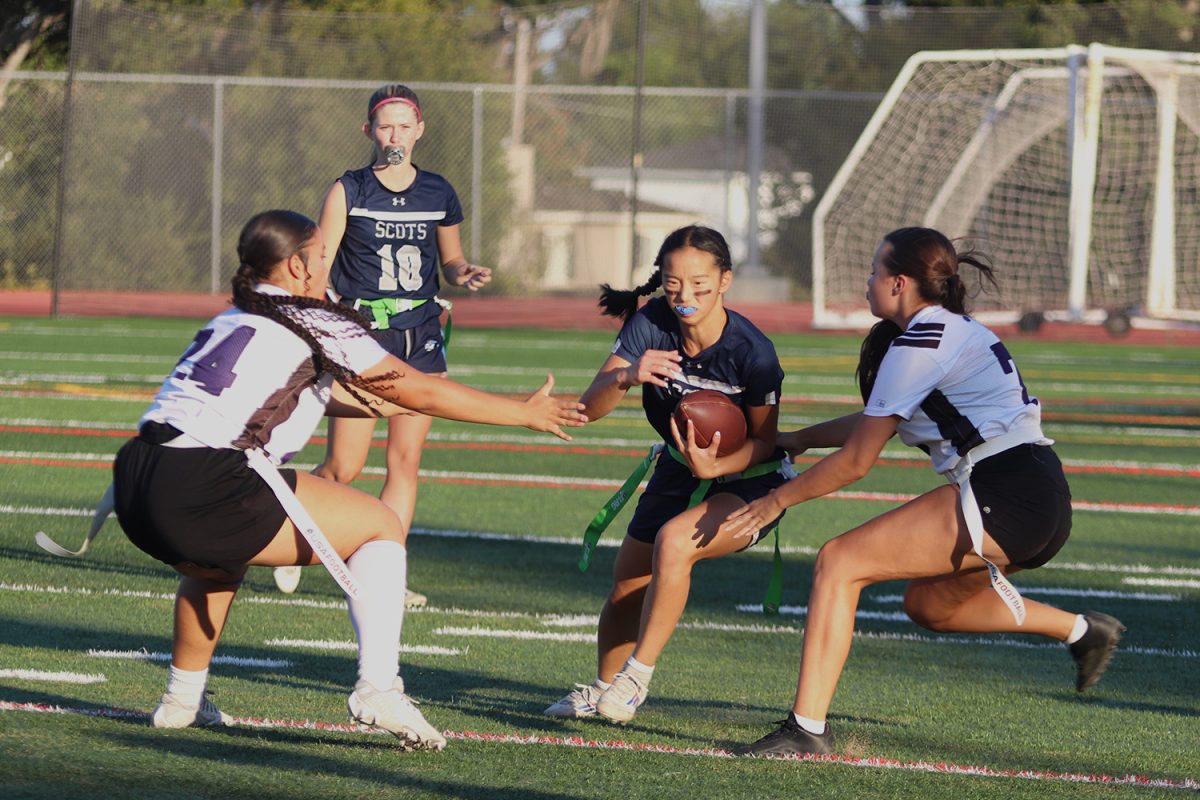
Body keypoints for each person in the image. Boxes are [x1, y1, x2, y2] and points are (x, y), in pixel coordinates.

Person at [113, 210, 584, 750]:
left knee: (217, 560)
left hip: (139, 475)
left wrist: (378, 406)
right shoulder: (315, 317)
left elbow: (293, 395)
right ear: (296, 265)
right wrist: (521, 412)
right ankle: (378, 688)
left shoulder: (237, 315)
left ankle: (181, 701)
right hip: (207, 481)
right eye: (319, 254)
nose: (325, 262)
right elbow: (421, 390)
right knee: (379, 526)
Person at [726, 227, 1125, 758]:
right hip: (1040, 495)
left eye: (874, 271)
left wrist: (776, 500)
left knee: (838, 562)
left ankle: (807, 729)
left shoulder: (917, 344)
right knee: (929, 605)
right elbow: (875, 421)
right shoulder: (950, 330)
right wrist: (799, 439)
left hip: (1003, 491)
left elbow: (858, 461)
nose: (868, 281)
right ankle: (1081, 632)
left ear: (899, 283)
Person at [543, 225, 793, 724]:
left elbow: (765, 442)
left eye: (700, 283)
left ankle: (637, 678)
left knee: (675, 543)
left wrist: (718, 465)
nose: (685, 295)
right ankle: (603, 688)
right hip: (678, 468)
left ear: (725, 281)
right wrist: (625, 375)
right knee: (626, 588)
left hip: (750, 479)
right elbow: (589, 409)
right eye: (674, 282)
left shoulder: (754, 352)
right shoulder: (650, 323)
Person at [273, 84, 489, 603]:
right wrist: (311, 319)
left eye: (404, 126)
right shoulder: (348, 189)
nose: (395, 135)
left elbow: (451, 261)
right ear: (369, 131)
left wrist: (465, 272)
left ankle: (386, 577)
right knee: (345, 468)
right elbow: (321, 262)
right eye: (384, 126)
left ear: (420, 130)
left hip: (421, 334)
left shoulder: (439, 191)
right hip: (364, 334)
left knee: (404, 461)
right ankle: (293, 532)